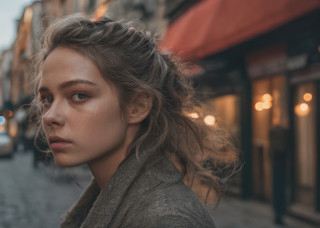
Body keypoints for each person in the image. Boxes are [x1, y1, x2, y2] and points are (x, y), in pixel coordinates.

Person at [32, 14, 239, 228]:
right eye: (47, 99)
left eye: (79, 95)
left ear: (137, 106)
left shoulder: (165, 220)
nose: (49, 116)